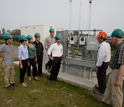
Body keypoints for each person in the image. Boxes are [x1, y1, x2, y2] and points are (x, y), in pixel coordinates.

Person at [97, 29, 124, 107]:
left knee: (116, 92)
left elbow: (122, 65)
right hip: (113, 70)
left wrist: (118, 79)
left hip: (117, 72)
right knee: (109, 87)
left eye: (112, 38)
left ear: (115, 38)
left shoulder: (121, 48)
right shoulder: (118, 47)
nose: (111, 39)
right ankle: (105, 100)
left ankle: (117, 105)